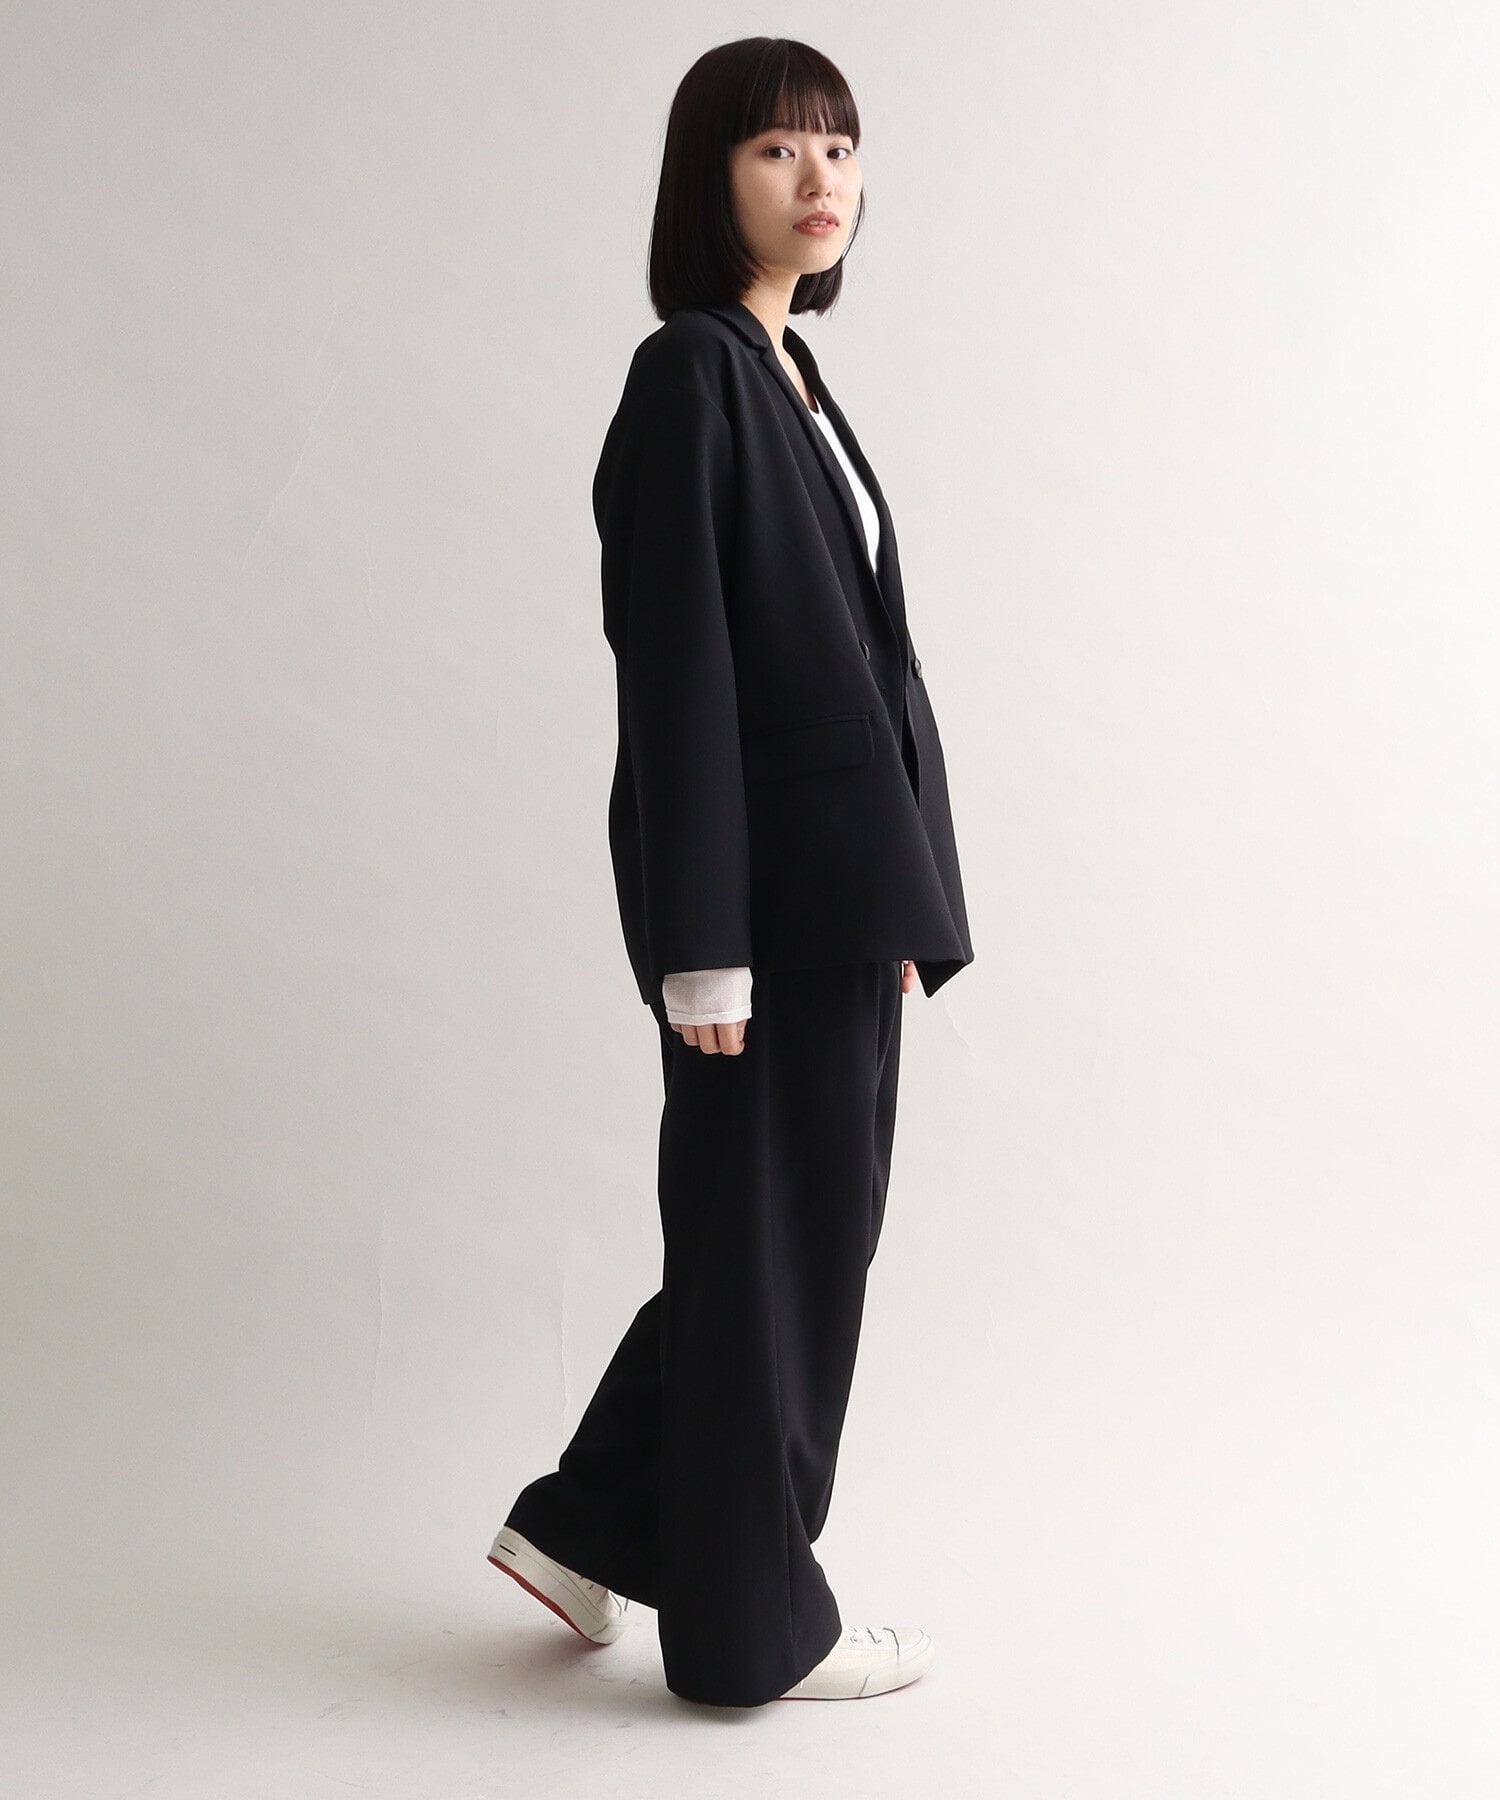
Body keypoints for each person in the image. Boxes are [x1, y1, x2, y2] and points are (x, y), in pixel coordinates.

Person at [489, 36, 974, 1709]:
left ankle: (583, 1528)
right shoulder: (690, 372)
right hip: (759, 924)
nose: (819, 177)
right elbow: (682, 670)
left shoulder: (793, 380)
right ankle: (758, 1632)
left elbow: (863, 671)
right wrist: (702, 943)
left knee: (774, 1240)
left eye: (838, 145)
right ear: (711, 183)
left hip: (836, 910)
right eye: (775, 149)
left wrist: (901, 895)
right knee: (782, 1251)